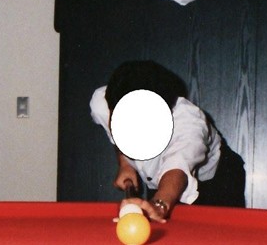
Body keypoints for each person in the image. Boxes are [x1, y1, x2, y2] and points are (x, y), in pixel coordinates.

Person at [90, 60, 246, 222]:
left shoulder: (188, 124)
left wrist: (158, 205)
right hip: (160, 181)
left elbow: (177, 167)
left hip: (215, 182)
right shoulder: (101, 104)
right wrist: (125, 164)